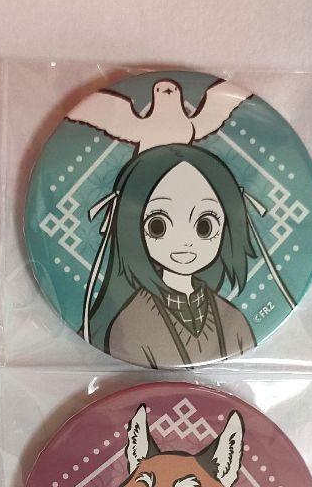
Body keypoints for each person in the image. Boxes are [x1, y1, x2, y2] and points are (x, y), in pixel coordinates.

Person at [84, 143, 257, 367]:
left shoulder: (234, 319)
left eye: (204, 226)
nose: (185, 241)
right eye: (158, 226)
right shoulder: (129, 324)